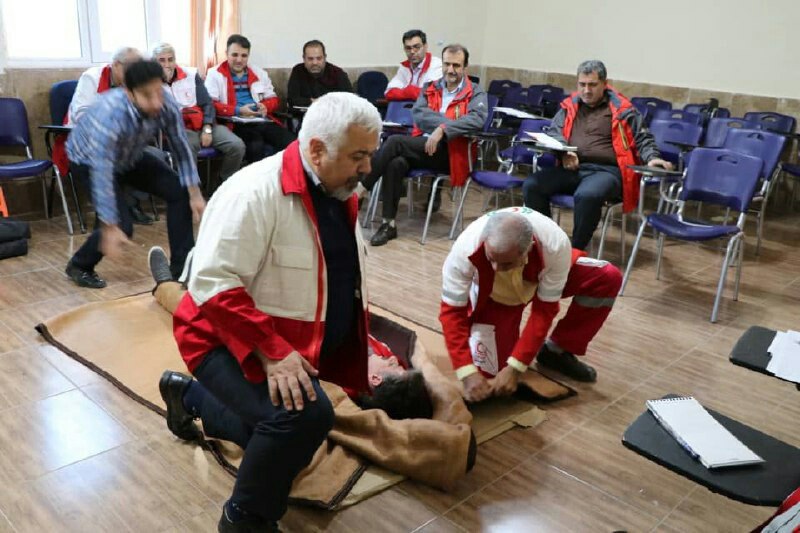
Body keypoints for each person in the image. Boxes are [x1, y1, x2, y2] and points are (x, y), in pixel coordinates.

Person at [162, 92, 385, 531]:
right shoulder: (252, 193)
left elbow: (338, 275)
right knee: (303, 416)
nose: (367, 168)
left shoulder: (338, 189)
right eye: (359, 156)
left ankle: (187, 396)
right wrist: (273, 352)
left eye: (371, 155)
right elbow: (212, 282)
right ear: (317, 150)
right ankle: (244, 518)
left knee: (263, 429)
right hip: (218, 337)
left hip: (285, 339)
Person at [439, 207, 623, 403]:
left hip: (539, 275)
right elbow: (451, 312)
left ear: (527, 248)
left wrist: (516, 367)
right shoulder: (464, 251)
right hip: (495, 294)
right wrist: (466, 371)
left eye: (506, 264)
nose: (496, 268)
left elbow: (543, 312)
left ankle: (556, 351)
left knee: (607, 277)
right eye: (491, 259)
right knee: (491, 374)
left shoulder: (555, 245)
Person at [64, 60, 205, 289]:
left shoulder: (165, 102)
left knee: (179, 192)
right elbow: (101, 171)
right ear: (129, 92)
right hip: (89, 161)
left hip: (129, 154)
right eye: (147, 96)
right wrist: (109, 225)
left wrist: (195, 192)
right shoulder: (110, 112)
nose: (157, 102)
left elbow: (180, 145)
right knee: (121, 225)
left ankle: (181, 270)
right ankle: (79, 265)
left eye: (159, 92)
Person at [522, 59, 673, 251]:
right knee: (532, 185)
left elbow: (643, 138)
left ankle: (575, 251)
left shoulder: (623, 109)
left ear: (604, 83)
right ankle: (548, 243)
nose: (586, 90)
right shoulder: (569, 106)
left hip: (607, 172)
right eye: (582, 85)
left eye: (592, 85)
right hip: (573, 168)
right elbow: (554, 133)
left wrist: (653, 158)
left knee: (587, 195)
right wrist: (564, 152)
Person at [361, 43, 487, 246]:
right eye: (447, 64)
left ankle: (360, 188)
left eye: (456, 65)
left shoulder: (476, 92)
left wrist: (442, 130)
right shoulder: (431, 87)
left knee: (395, 142)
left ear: (465, 67)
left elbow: (476, 120)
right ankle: (388, 224)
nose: (451, 70)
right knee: (396, 163)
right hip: (423, 147)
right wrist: (446, 123)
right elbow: (419, 115)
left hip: (451, 154)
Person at [62, 46, 155, 225]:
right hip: (87, 143)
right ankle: (113, 215)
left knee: (152, 157)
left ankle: (130, 204)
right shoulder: (92, 77)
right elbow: (80, 114)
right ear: (115, 65)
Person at [152, 42, 245, 183]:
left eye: (170, 60)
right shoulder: (148, 82)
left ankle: (223, 184)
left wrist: (207, 127)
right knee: (186, 148)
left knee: (237, 145)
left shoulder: (190, 75)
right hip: (178, 129)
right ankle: (191, 194)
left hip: (202, 123)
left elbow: (207, 103)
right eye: (161, 60)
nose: (167, 65)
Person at [205, 34, 295, 165]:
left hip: (261, 120)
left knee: (291, 142)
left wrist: (266, 106)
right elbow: (210, 104)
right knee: (255, 145)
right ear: (226, 54)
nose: (239, 60)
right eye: (234, 55)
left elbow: (273, 99)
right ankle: (256, 184)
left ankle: (284, 181)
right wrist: (238, 110)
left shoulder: (259, 72)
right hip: (235, 123)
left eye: (244, 56)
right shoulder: (215, 74)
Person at [286, 40, 353, 108]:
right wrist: (315, 102)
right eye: (310, 59)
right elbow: (291, 99)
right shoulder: (298, 71)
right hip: (304, 115)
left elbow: (350, 100)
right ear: (304, 58)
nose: (315, 63)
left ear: (325, 57)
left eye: (319, 58)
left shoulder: (337, 73)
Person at [384, 29, 443, 102]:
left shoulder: (437, 65)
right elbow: (389, 92)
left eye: (416, 47)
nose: (412, 51)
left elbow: (431, 95)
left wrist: (408, 91)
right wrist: (410, 92)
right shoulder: (404, 67)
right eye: (408, 48)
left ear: (425, 46)